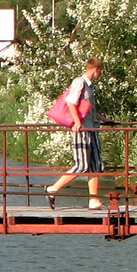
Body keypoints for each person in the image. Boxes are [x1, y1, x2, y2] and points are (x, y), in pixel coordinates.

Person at [45, 58, 104, 210]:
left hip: (92, 128)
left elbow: (88, 109)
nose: (101, 74)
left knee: (96, 164)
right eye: (101, 70)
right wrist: (77, 122)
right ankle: (52, 189)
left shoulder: (90, 87)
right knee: (82, 165)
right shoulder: (80, 82)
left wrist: (105, 119)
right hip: (82, 129)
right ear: (96, 69)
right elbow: (72, 103)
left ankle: (93, 200)